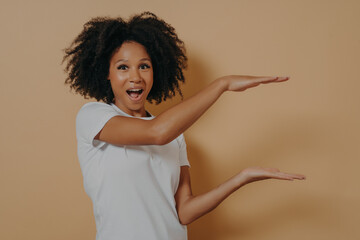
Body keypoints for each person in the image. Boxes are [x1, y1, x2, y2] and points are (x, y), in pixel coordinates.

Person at [63, 11, 305, 240]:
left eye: (144, 66)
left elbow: (184, 211)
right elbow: (156, 132)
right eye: (123, 67)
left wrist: (241, 178)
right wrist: (222, 84)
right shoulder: (93, 117)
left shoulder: (176, 136)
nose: (135, 76)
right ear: (106, 73)